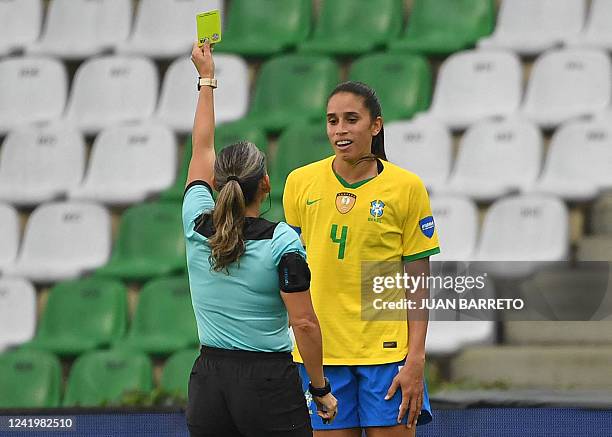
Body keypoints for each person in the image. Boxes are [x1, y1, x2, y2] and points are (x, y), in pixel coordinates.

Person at [183, 41, 338, 437]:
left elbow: (202, 146)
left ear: (217, 186)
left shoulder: (196, 222)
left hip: (208, 383)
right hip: (267, 383)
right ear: (265, 185)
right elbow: (303, 323)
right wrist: (320, 389)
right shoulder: (283, 241)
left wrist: (206, 79)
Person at [283, 81, 440, 437]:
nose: (340, 130)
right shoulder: (300, 183)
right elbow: (291, 272)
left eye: (351, 119)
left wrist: (415, 358)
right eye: (332, 120)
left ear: (375, 126)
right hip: (322, 357)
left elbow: (418, 280)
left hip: (386, 355)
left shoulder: (406, 187)